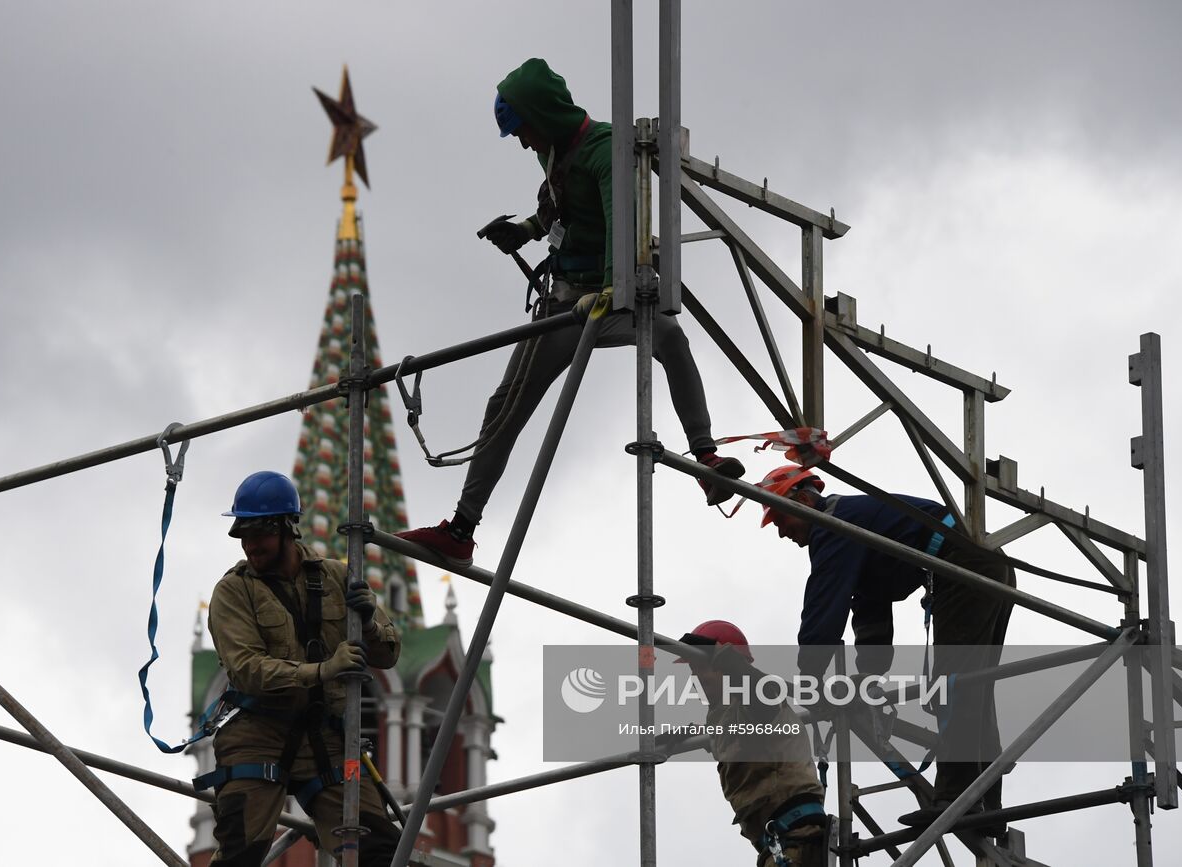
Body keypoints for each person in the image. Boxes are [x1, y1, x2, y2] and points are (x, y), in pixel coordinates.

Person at [398, 57, 743, 567]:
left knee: (670, 337)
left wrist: (609, 288)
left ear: (544, 115)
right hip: (566, 304)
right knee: (504, 409)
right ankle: (461, 530)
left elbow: (619, 221)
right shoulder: (554, 150)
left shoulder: (606, 152)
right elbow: (559, 207)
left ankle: (706, 456)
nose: (523, 142)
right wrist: (526, 231)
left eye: (524, 130)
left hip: (605, 296)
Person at [756, 465, 1014, 830]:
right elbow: (869, 602)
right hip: (981, 559)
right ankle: (987, 805)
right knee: (973, 686)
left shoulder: (834, 525)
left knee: (955, 684)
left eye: (780, 518)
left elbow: (823, 605)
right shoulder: (856, 525)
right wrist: (868, 675)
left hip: (965, 561)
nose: (782, 532)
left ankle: (956, 801)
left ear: (802, 500)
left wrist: (811, 677)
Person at [203, 470, 402, 866]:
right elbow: (247, 670)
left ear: (287, 528)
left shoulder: (337, 577)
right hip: (257, 732)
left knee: (380, 850)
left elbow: (388, 654)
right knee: (241, 851)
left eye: (260, 534)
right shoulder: (234, 591)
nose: (250, 545)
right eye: (243, 535)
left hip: (325, 736)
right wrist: (324, 670)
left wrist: (368, 625)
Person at [675, 620, 828, 867]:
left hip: (796, 839)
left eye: (703, 668)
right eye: (694, 671)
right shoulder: (725, 717)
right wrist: (686, 735)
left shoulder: (757, 702)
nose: (698, 678)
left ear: (729, 666)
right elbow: (731, 736)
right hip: (778, 843)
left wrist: (731, 663)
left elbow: (762, 696)